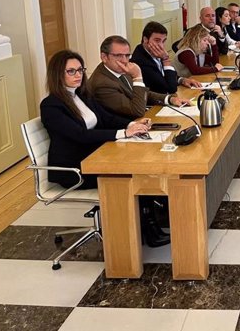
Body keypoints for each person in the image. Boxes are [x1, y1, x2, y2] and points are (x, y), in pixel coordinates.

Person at [40, 50, 169, 248]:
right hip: (74, 168)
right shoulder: (51, 105)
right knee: (132, 174)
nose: (78, 75)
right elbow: (79, 135)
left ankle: (150, 223)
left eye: (80, 70)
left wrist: (132, 124)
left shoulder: (82, 95)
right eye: (71, 71)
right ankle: (145, 229)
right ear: (58, 75)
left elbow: (106, 118)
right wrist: (122, 134)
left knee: (142, 165)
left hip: (94, 154)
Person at [88, 35, 189, 119]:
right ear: (104, 57)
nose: (124, 60)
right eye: (118, 55)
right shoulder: (102, 84)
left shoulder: (118, 69)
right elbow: (136, 111)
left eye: (127, 55)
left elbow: (141, 94)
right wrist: (137, 77)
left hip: (138, 122)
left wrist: (170, 99)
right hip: (119, 132)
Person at [131, 21, 202, 95]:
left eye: (163, 41)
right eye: (157, 41)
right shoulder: (140, 60)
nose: (161, 45)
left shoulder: (155, 53)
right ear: (145, 39)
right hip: (154, 103)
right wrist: (166, 60)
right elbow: (170, 88)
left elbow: (163, 75)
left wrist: (182, 80)